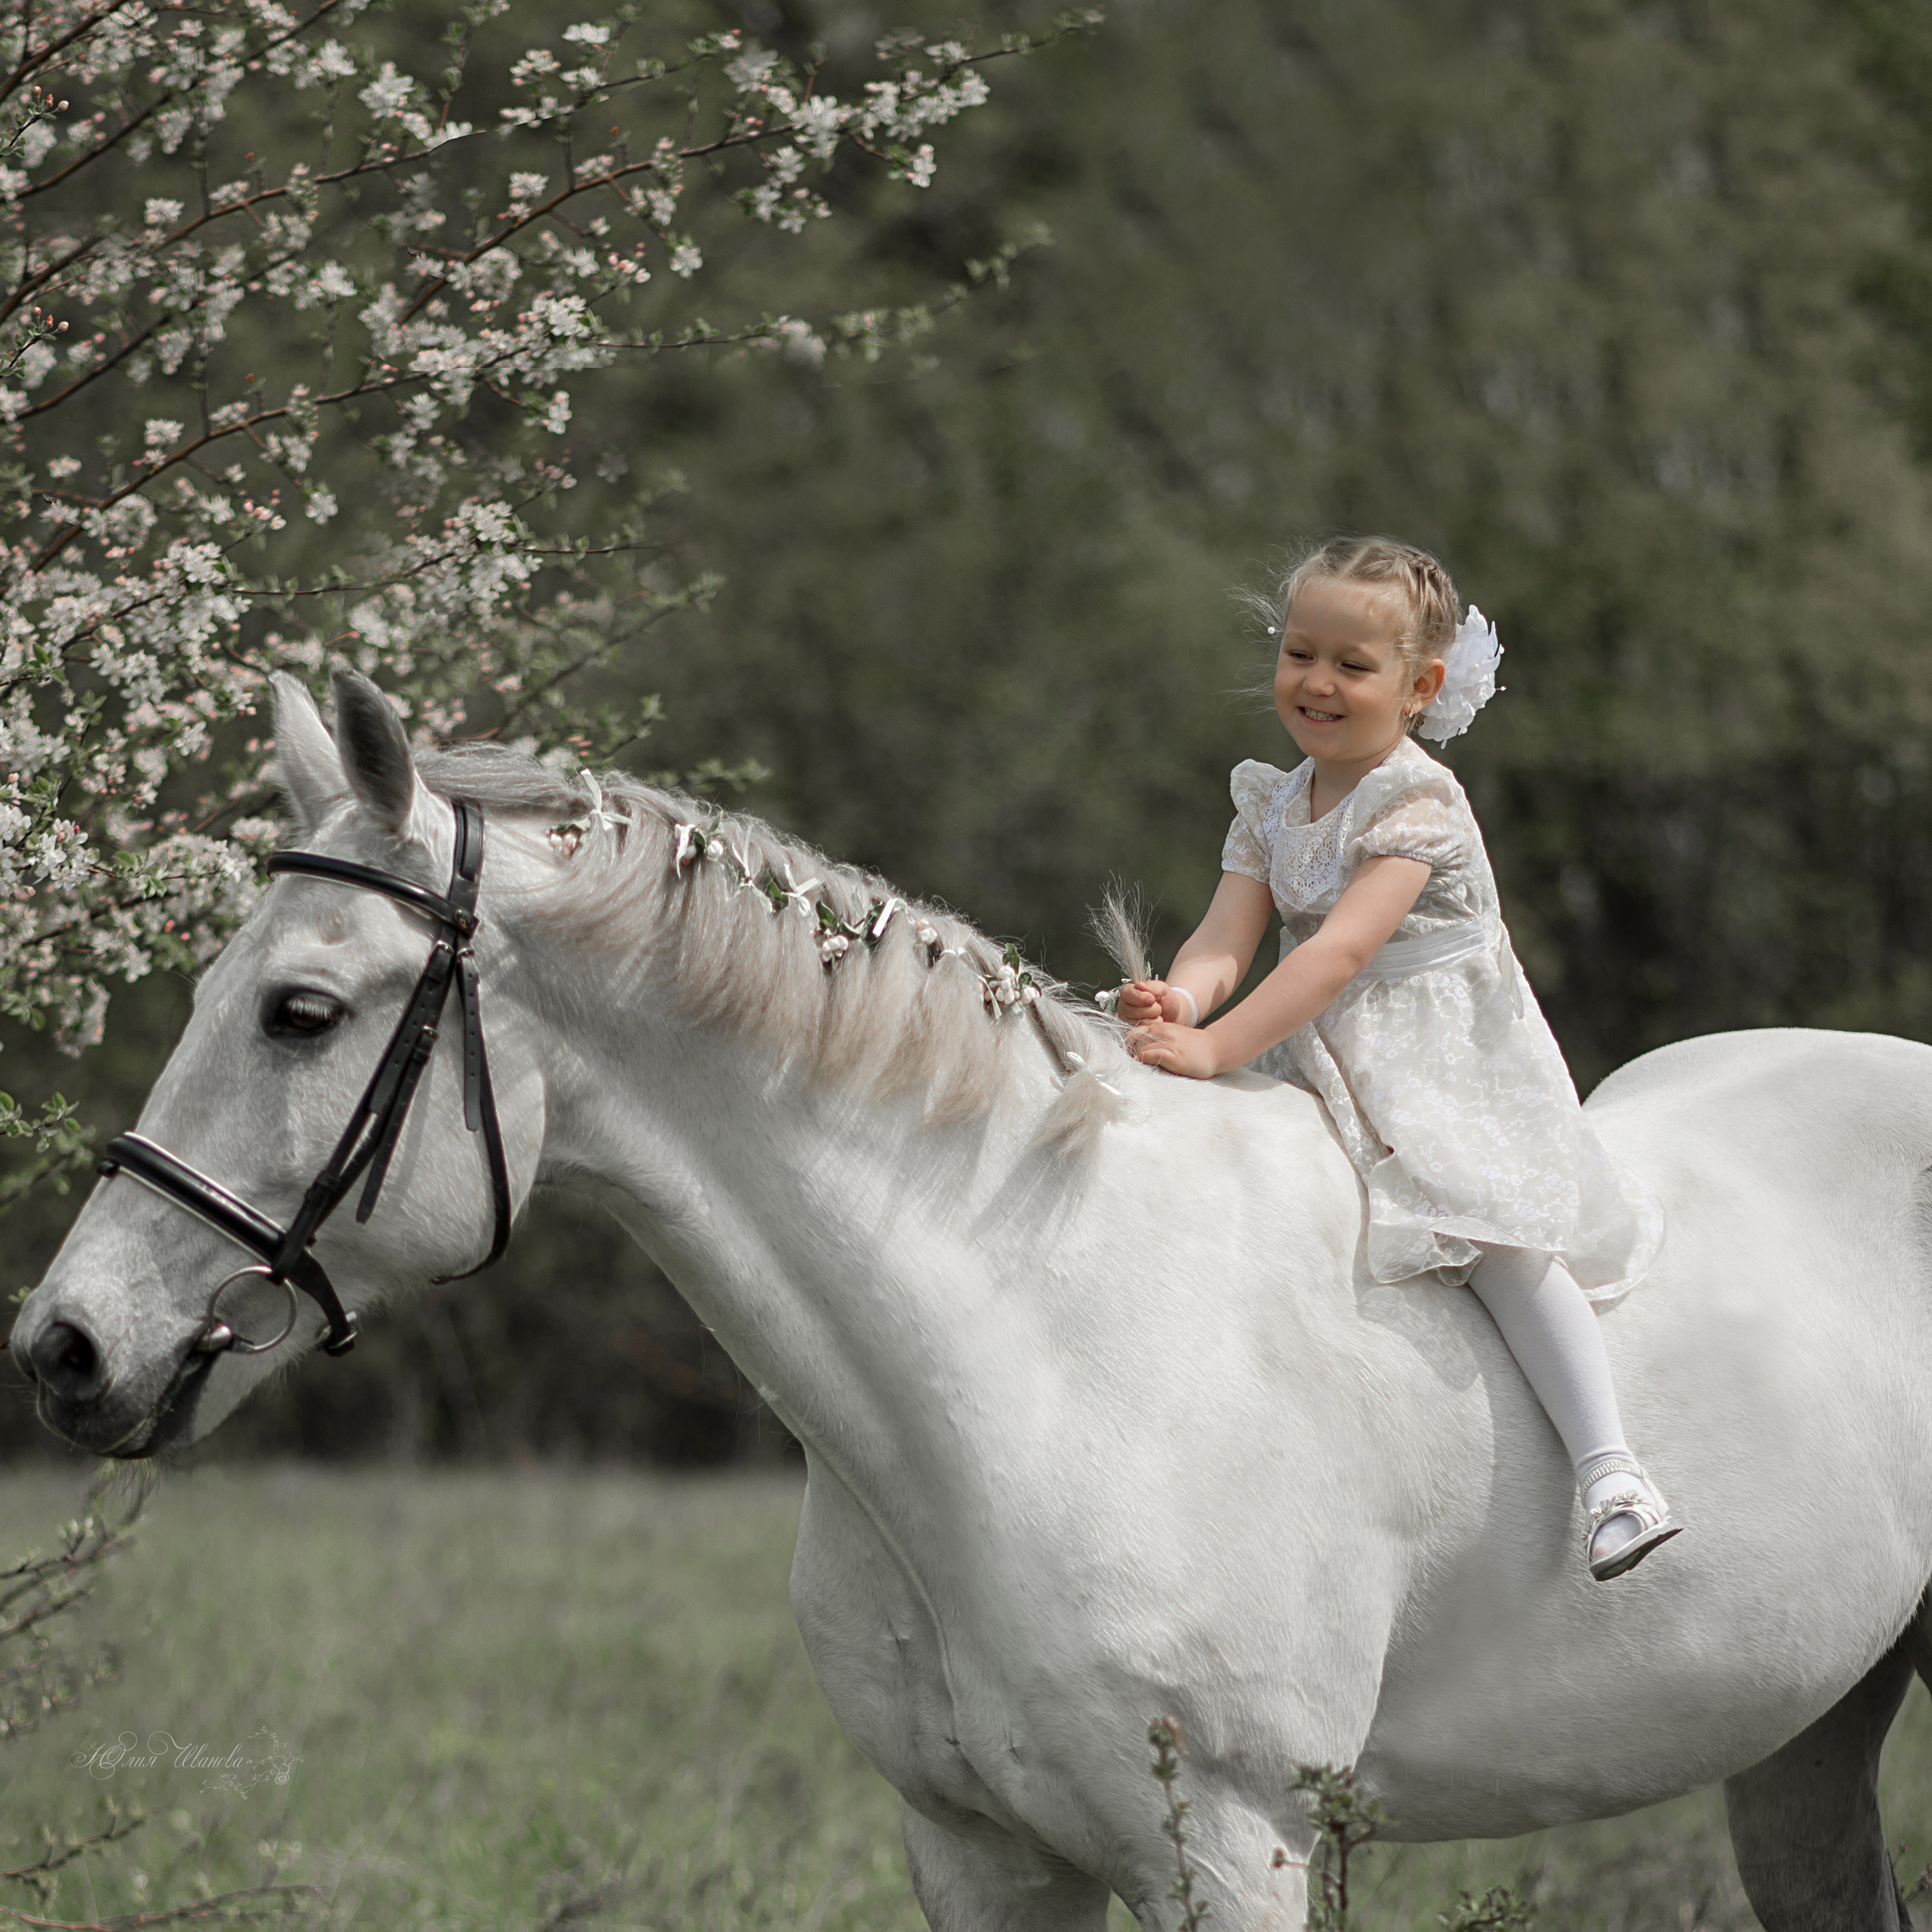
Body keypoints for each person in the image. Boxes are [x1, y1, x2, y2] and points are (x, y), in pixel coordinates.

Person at [1121, 536, 1677, 1580]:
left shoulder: (1417, 798)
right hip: (1316, 1046)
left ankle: (1614, 1473)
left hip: (1437, 1049)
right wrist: (1182, 996)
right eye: (1300, 654)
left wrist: (1214, 1048)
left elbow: (1337, 953)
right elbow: (1231, 937)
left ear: (1420, 686)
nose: (1317, 683)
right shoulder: (1269, 801)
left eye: (1352, 664)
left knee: (1492, 1234)